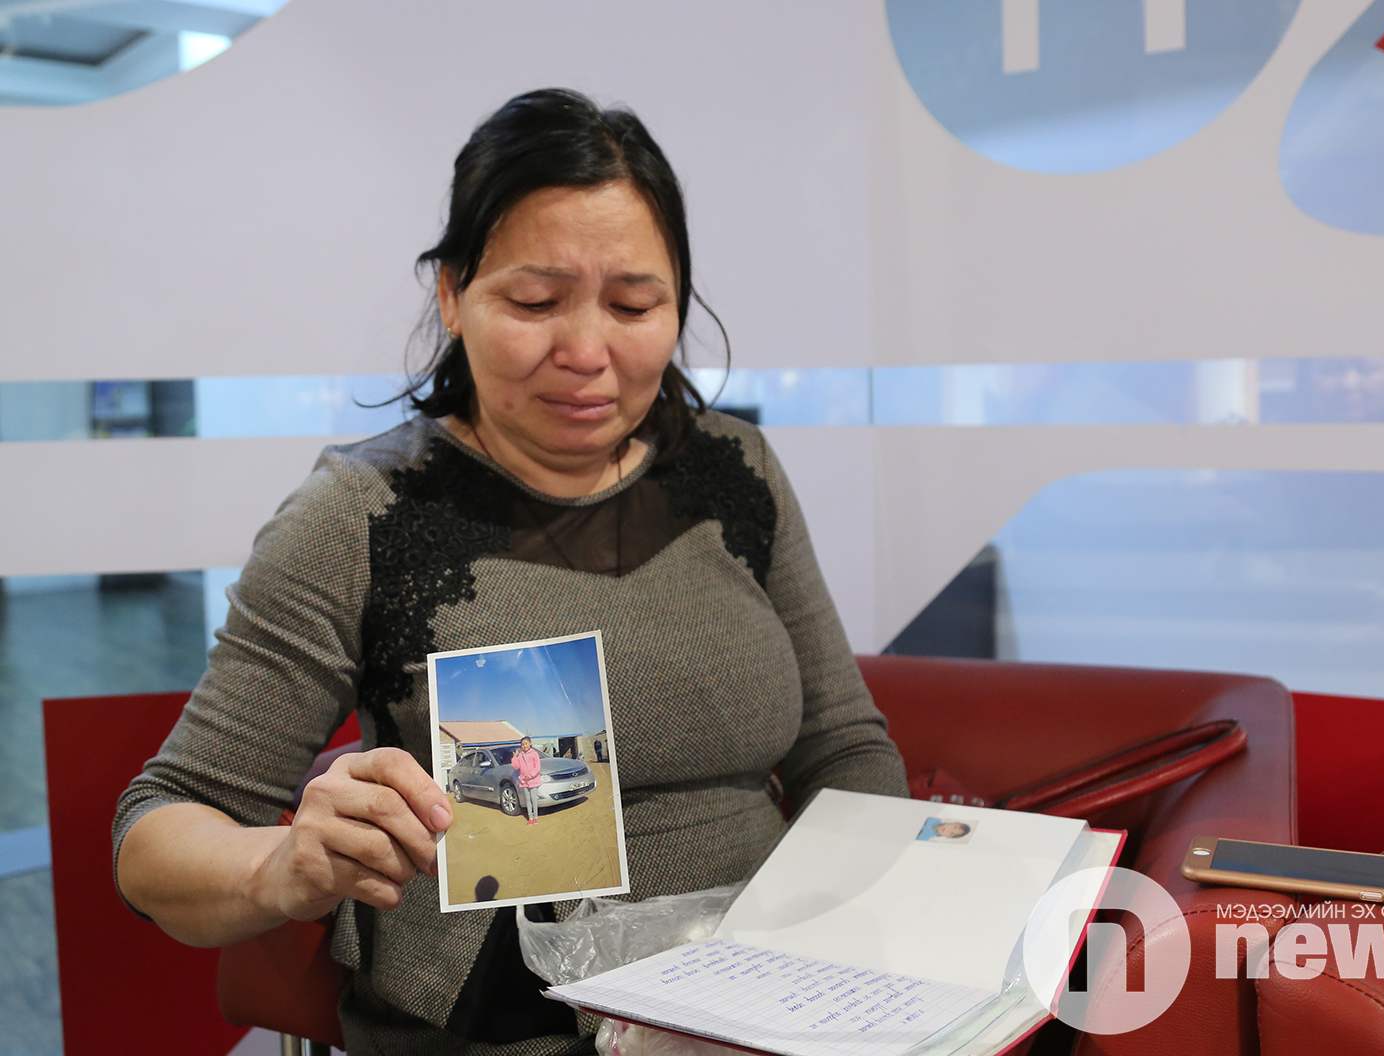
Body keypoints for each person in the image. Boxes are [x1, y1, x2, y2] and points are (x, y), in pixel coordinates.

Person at [111, 87, 907, 1054]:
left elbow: (842, 745)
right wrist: (283, 866)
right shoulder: (365, 515)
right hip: (515, 1030)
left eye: (634, 304)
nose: (587, 352)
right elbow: (158, 831)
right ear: (451, 294)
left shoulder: (735, 473)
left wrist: (877, 947)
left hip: (769, 1006)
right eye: (533, 302)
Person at [513, 737, 543, 825]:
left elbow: (537, 767)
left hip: (533, 780)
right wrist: (515, 757)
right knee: (527, 800)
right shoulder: (520, 755)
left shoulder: (534, 753)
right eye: (522, 744)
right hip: (524, 781)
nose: (524, 745)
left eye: (526, 743)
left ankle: (536, 817)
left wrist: (530, 776)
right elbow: (516, 766)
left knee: (534, 799)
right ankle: (530, 818)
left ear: (530, 743)